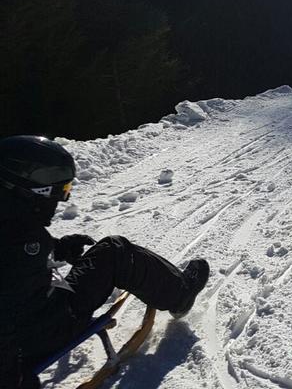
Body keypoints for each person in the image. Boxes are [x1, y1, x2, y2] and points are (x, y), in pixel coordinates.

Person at [0, 136, 210, 389]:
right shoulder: (17, 239)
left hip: (34, 319)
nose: (61, 200)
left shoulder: (13, 223)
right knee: (115, 251)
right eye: (61, 192)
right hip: (45, 328)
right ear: (34, 190)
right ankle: (180, 295)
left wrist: (57, 247)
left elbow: (19, 251)